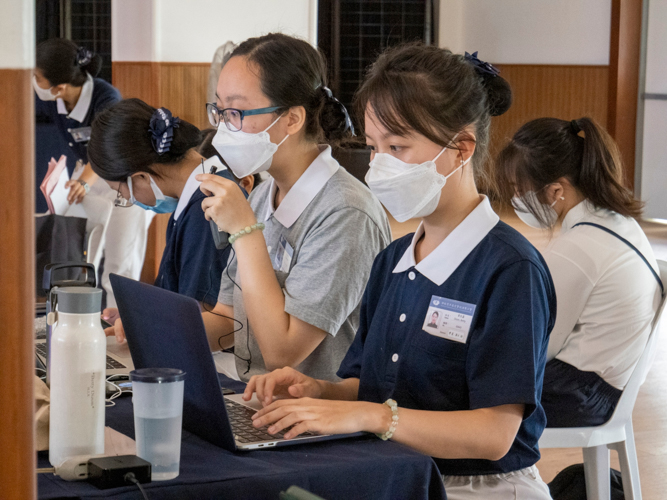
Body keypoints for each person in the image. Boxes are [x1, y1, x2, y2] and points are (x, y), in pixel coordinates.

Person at [242, 45, 556, 499]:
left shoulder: (510, 269)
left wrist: (373, 417)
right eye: (373, 148)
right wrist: (319, 392)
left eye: (397, 147)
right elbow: (368, 386)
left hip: (477, 488)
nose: (380, 165)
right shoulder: (393, 260)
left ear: (460, 149)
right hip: (393, 472)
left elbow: (493, 434)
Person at [197, 33, 391, 382]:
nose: (224, 126)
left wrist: (245, 232)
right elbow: (229, 317)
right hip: (253, 398)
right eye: (219, 110)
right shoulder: (260, 194)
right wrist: (152, 327)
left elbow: (280, 353)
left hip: (316, 420)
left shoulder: (347, 212)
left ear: (291, 119)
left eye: (237, 112)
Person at [495, 117, 662, 428]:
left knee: (458, 388)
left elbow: (537, 347)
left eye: (520, 190)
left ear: (557, 190)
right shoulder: (617, 222)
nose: (516, 200)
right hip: (609, 386)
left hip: (581, 394)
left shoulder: (578, 249)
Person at [87, 98, 247, 327]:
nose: (128, 200)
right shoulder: (195, 195)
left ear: (140, 178)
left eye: (121, 193)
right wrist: (136, 315)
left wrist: (142, 326)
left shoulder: (208, 209)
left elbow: (200, 314)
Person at [34, 39, 154, 308]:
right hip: (88, 176)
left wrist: (84, 183)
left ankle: (121, 326)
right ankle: (75, 314)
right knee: (76, 250)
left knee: (119, 263)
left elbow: (104, 146)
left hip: (126, 182)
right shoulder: (56, 100)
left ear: (59, 86)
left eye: (36, 77)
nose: (33, 82)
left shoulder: (106, 97)